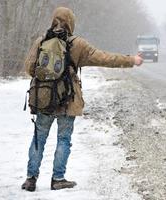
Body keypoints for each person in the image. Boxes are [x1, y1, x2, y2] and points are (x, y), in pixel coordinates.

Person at [21, 7, 143, 192]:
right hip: (67, 101)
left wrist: (48, 76)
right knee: (63, 139)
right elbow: (104, 58)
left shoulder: (41, 41)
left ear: (53, 20)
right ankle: (58, 179)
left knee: (39, 137)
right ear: (71, 23)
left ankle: (31, 179)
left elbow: (30, 68)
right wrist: (130, 60)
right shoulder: (77, 44)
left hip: (44, 99)